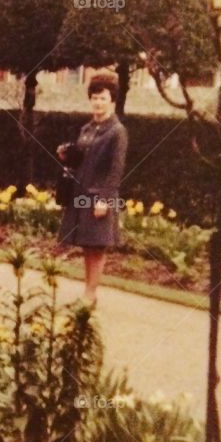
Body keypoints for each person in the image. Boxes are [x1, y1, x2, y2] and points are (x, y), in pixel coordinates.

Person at [56, 71, 128, 308]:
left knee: (97, 247)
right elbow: (81, 160)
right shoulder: (87, 128)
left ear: (112, 100)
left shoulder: (117, 131)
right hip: (81, 195)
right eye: (94, 97)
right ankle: (88, 292)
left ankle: (90, 294)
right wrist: (68, 154)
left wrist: (105, 200)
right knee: (87, 245)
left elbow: (116, 170)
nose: (98, 102)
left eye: (103, 98)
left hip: (98, 197)